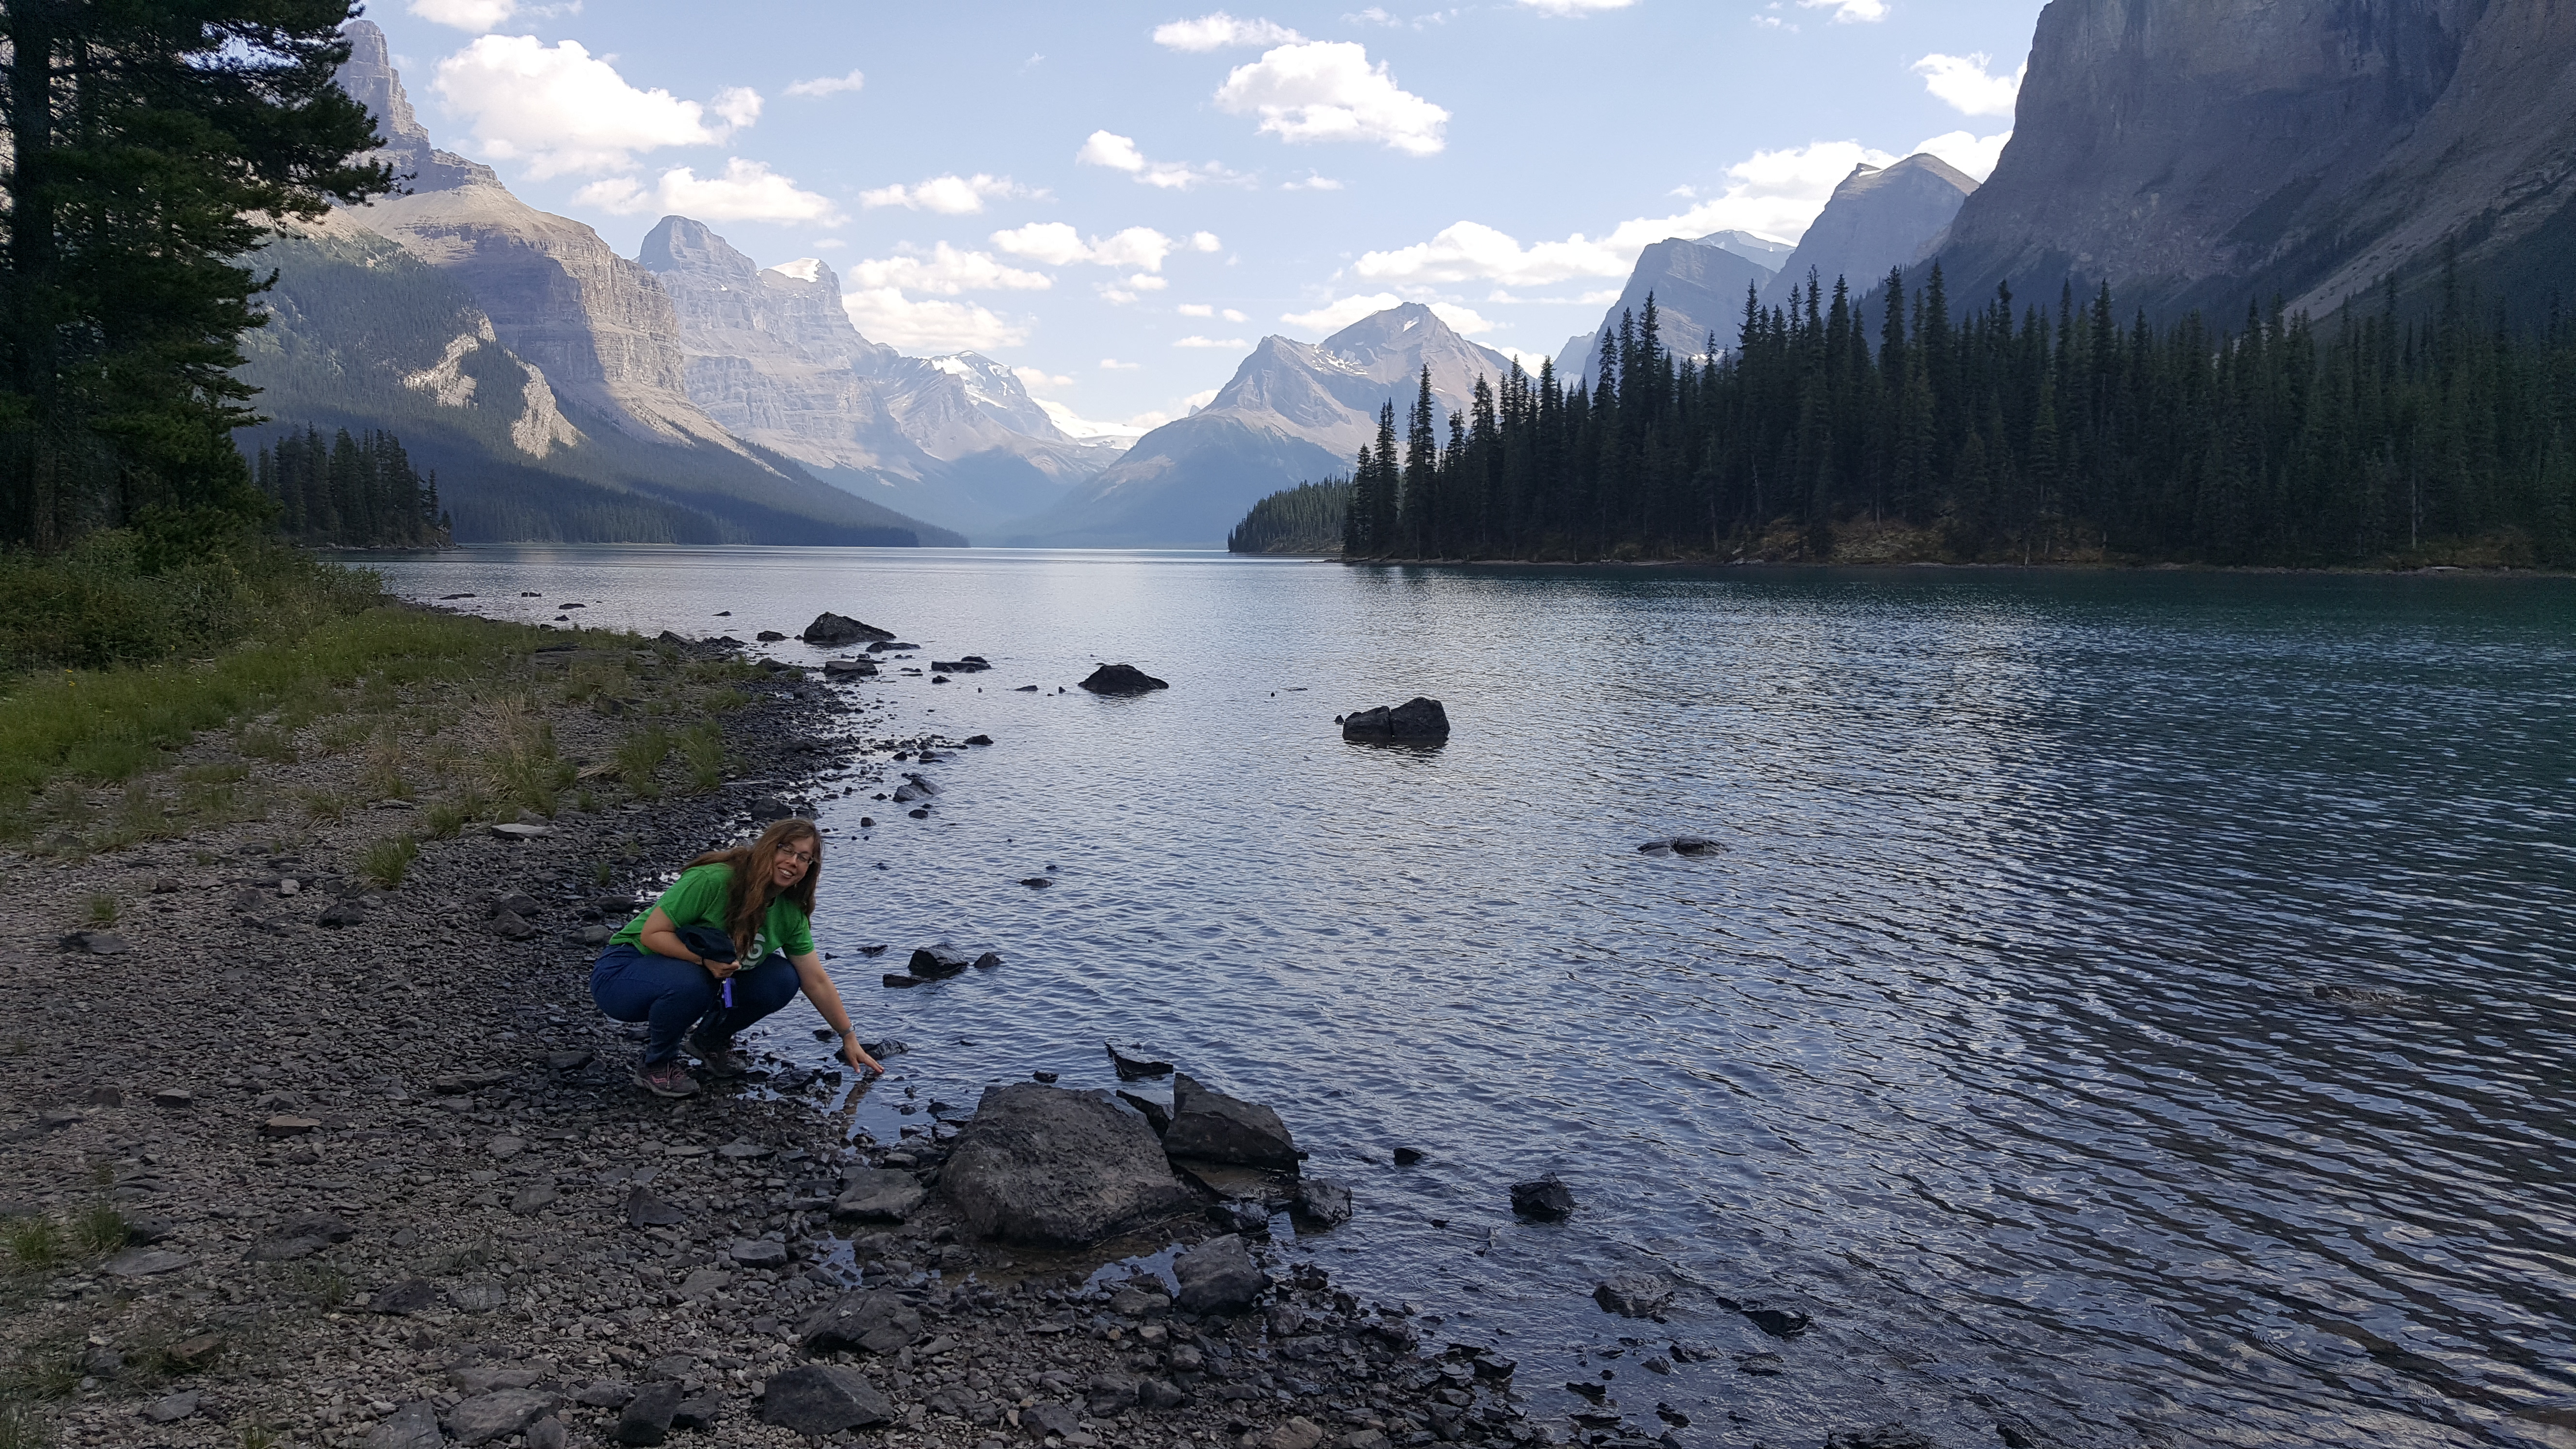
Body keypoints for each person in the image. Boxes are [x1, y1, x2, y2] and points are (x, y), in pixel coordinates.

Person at [591, 817, 881, 1098]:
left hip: (705, 977)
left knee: (782, 978)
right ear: (767, 848)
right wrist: (704, 962)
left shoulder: (790, 913)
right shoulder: (713, 880)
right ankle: (657, 1064)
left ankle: (709, 1042)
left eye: (804, 858)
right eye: (786, 849)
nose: (793, 862)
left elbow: (815, 980)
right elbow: (653, 935)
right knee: (691, 981)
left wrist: (848, 1036)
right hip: (623, 975)